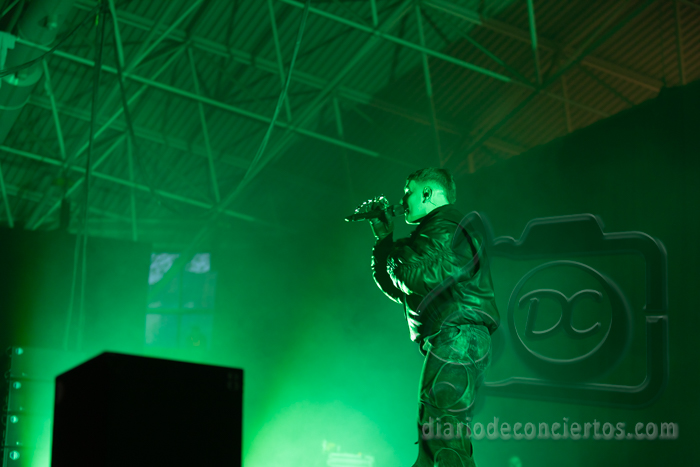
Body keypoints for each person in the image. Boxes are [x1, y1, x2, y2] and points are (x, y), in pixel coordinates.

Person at [354, 167, 499, 467]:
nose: (402, 200)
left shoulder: (447, 226)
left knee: (443, 439)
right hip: (457, 339)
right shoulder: (438, 231)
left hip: (457, 338)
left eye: (407, 192)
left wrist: (392, 245)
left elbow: (409, 274)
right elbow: (402, 288)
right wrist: (384, 240)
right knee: (442, 438)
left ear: (428, 193)